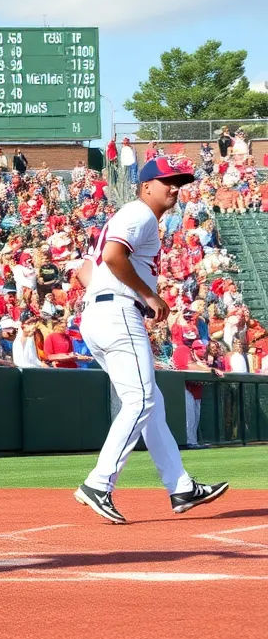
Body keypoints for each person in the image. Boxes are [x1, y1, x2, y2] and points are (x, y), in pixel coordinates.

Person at [73, 156, 228, 524]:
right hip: (118, 312)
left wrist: (103, 297)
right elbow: (112, 256)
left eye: (178, 181)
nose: (174, 187)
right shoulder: (139, 213)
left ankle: (180, 486)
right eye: (166, 181)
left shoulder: (136, 217)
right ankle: (99, 483)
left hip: (102, 313)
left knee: (151, 403)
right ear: (146, 186)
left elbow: (86, 269)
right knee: (141, 400)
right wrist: (148, 295)